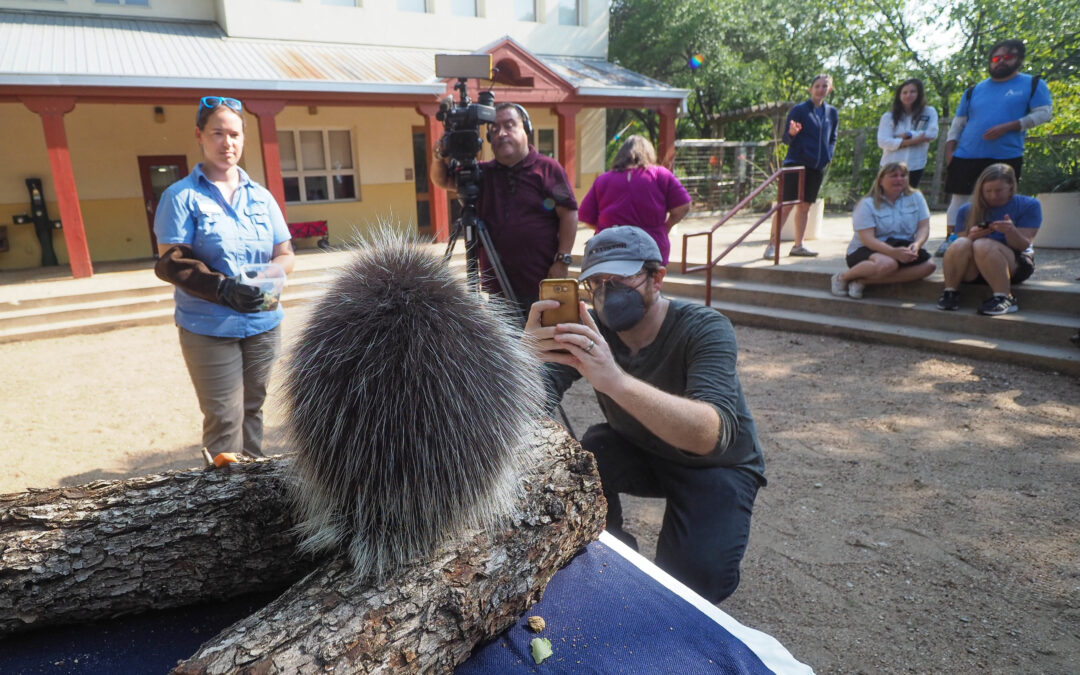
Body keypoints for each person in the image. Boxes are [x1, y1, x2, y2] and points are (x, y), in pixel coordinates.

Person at [526, 226, 765, 603]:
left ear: (657, 278)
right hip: (640, 450)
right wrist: (526, 361)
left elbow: (707, 435)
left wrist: (615, 380)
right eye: (597, 282)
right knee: (592, 450)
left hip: (715, 466)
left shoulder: (705, 328)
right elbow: (528, 403)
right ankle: (612, 554)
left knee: (694, 586)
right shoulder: (594, 331)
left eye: (621, 280)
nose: (607, 294)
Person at [153, 96, 295, 466]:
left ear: (243, 138)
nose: (226, 143)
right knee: (225, 417)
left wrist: (267, 278)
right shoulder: (180, 196)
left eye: (233, 134)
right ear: (200, 135)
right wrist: (223, 289)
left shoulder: (262, 198)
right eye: (217, 133)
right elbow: (171, 262)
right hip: (209, 325)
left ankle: (253, 487)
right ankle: (222, 499)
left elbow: (286, 253)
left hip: (263, 322)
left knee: (254, 409)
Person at [430, 102, 578, 318]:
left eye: (509, 126)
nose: (501, 133)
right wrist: (438, 155)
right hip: (498, 293)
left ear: (525, 129)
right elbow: (442, 179)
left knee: (543, 348)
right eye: (494, 129)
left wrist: (562, 259)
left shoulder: (547, 168)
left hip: (541, 284)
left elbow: (569, 213)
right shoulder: (481, 173)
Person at [939, 39, 1052, 257]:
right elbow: (958, 123)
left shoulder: (1033, 84)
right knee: (959, 199)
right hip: (966, 153)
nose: (1000, 62)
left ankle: (1001, 243)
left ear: (1018, 59)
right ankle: (952, 240)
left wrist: (1010, 126)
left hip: (1005, 154)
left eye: (1007, 57)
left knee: (1000, 198)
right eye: (996, 58)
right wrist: (950, 151)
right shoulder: (974, 90)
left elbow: (1043, 113)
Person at [937, 163, 1040, 315]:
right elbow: (957, 246)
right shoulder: (966, 210)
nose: (993, 196)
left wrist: (1011, 231)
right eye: (988, 191)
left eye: (999, 191)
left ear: (1011, 187)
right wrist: (971, 236)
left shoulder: (1029, 205)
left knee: (983, 245)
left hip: (1014, 263)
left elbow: (1023, 245)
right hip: (975, 267)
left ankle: (1004, 297)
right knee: (961, 243)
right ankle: (950, 292)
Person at [578, 134, 691, 265]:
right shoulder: (660, 175)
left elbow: (585, 216)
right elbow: (684, 206)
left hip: (611, 251)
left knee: (611, 284)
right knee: (649, 284)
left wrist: (606, 230)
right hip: (651, 249)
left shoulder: (603, 180)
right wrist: (666, 226)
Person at [831, 162, 936, 299]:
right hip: (867, 249)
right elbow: (867, 239)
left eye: (903, 175)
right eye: (894, 176)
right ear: (881, 180)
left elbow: (924, 226)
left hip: (901, 246)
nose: (899, 179)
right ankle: (842, 277)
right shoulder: (866, 204)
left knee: (929, 266)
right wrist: (893, 253)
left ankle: (862, 281)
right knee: (888, 264)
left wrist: (916, 245)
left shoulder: (916, 197)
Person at [766, 73, 839, 259]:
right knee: (786, 205)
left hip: (817, 166)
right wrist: (791, 133)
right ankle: (771, 244)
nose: (820, 89)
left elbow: (833, 137)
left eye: (824, 86)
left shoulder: (832, 113)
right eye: (817, 86)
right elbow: (785, 139)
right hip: (797, 164)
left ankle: (798, 245)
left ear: (829, 89)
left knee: (805, 207)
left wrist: (828, 155)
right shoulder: (800, 110)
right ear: (810, 89)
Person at [876, 78, 938, 188]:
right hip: (890, 165)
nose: (908, 95)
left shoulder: (929, 112)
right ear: (899, 95)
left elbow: (932, 134)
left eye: (912, 92)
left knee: (908, 200)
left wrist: (906, 135)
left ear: (919, 94)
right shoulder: (888, 117)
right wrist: (916, 140)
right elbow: (883, 142)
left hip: (915, 166)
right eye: (905, 92)